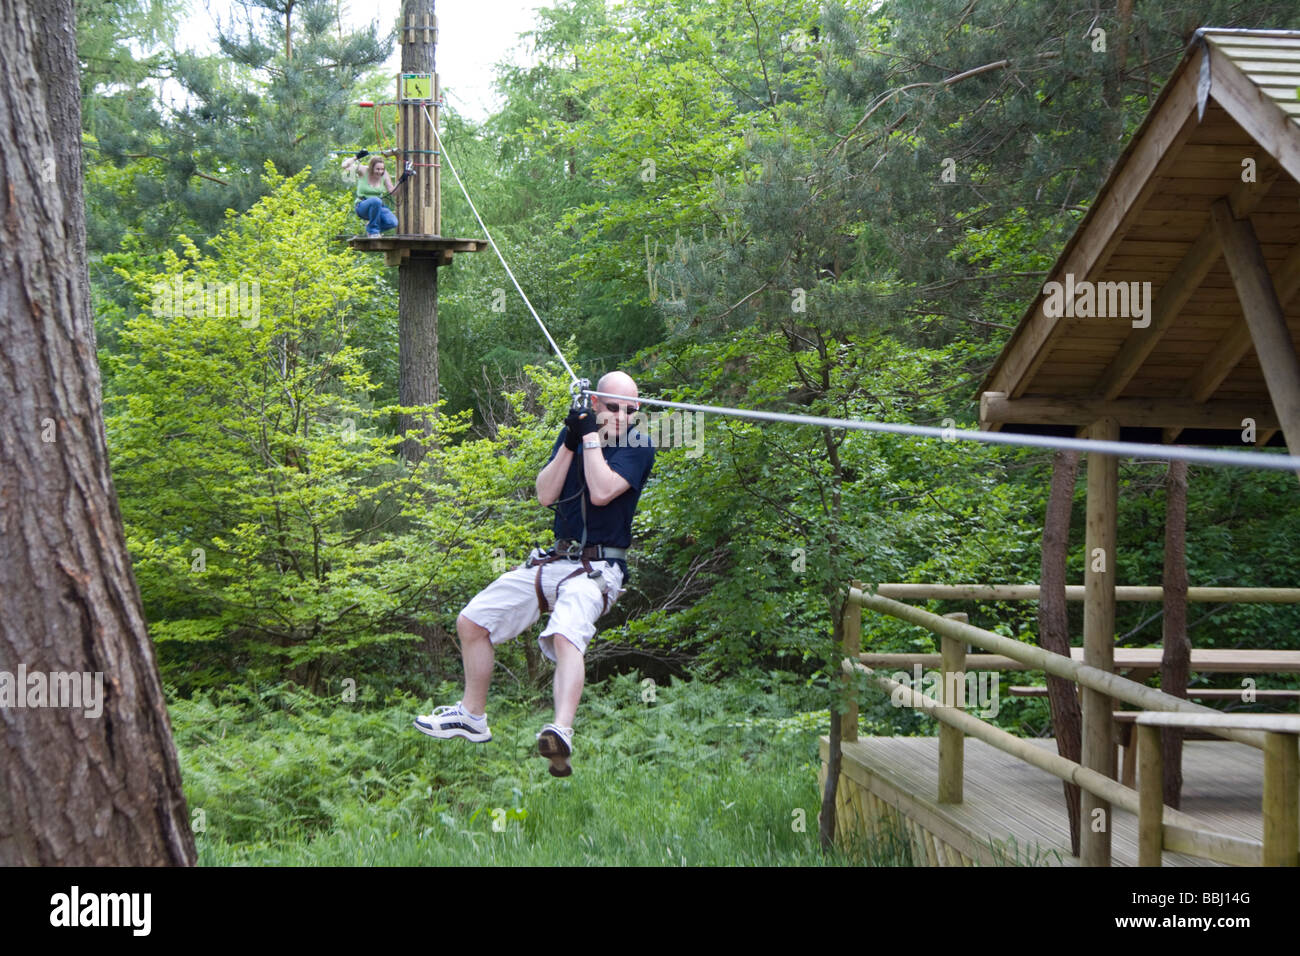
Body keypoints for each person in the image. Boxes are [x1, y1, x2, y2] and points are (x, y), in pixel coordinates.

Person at [415, 371, 656, 777]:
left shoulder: (638, 445)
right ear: (595, 405)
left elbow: (600, 491)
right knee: (472, 622)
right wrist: (568, 439)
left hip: (599, 569)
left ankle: (561, 730)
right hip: (554, 561)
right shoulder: (576, 438)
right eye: (611, 407)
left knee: (565, 633)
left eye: (629, 409)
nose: (621, 416)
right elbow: (545, 494)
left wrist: (590, 438)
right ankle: (472, 716)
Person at [341, 151, 398, 236]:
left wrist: (401, 180)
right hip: (362, 206)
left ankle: (370, 227)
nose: (380, 172)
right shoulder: (363, 170)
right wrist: (356, 157)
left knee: (393, 222)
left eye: (382, 169)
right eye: (377, 169)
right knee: (376, 200)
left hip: (378, 207)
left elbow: (393, 192)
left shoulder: (384, 174)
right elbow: (344, 165)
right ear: (371, 167)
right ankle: (373, 232)